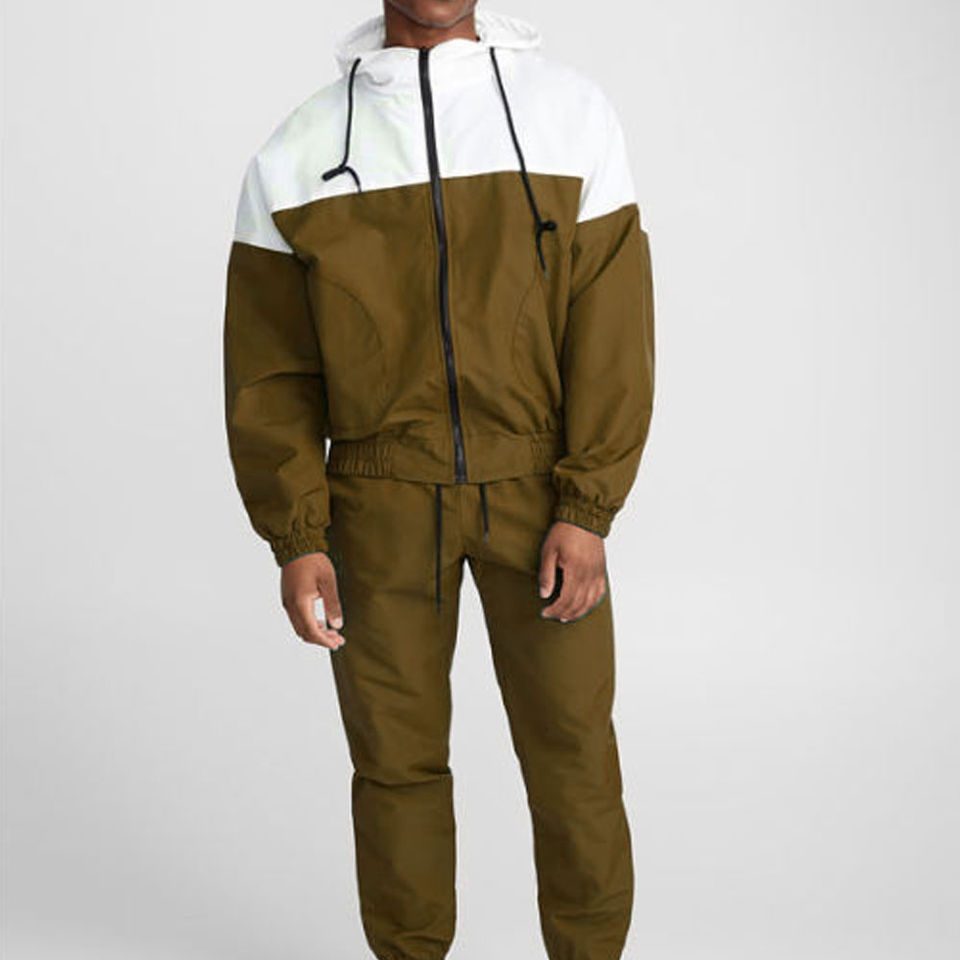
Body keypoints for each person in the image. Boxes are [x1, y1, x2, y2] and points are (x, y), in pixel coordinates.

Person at [222, 2, 655, 958]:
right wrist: (296, 535)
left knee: (573, 758)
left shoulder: (569, 115)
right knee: (395, 767)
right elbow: (270, 366)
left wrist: (588, 506)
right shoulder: (296, 152)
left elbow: (612, 325)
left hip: (538, 493)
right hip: (374, 503)